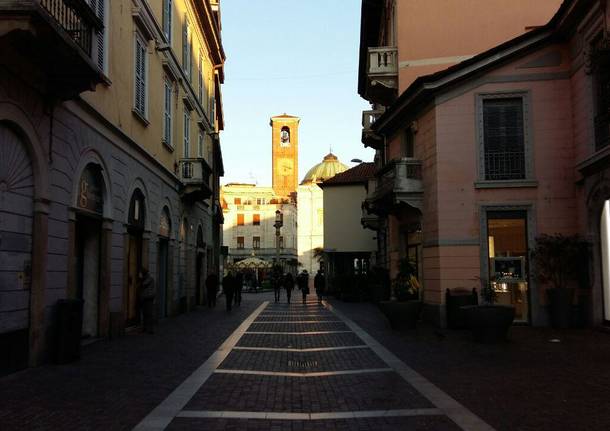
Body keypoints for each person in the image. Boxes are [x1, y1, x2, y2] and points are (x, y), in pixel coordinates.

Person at [139, 268, 156, 334]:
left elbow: (144, 284)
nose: (140, 274)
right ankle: (145, 328)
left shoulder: (149, 278)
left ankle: (151, 329)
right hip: (145, 298)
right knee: (145, 314)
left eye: (141, 273)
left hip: (149, 298)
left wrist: (140, 278)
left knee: (149, 314)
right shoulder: (147, 278)